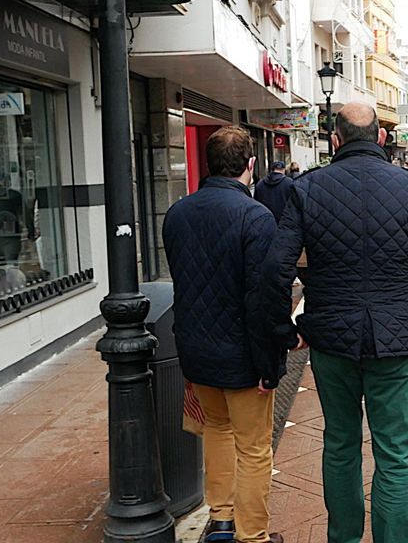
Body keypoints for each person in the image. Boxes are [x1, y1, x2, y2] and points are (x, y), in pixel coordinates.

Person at [267, 103, 408, 542]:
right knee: (394, 453)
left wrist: (286, 331)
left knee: (339, 444)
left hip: (331, 337)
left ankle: (345, 538)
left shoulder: (306, 189)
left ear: (335, 141)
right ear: (380, 138)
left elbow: (274, 270)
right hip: (395, 339)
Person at [162, 126, 286, 543]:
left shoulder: (178, 213)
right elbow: (263, 299)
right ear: (251, 166)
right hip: (243, 357)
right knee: (253, 448)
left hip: (196, 350)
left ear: (208, 164)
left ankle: (221, 519)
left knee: (216, 430)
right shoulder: (256, 217)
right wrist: (271, 365)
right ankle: (253, 536)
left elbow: (185, 280)